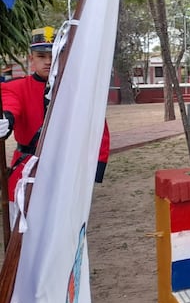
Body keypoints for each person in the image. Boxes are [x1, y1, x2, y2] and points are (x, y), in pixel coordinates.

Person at [0, 27, 110, 222]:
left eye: (54, 55)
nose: (48, 61)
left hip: (65, 170)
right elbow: (11, 106)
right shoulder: (15, 88)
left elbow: (97, 127)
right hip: (27, 170)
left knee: (62, 229)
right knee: (22, 237)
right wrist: (6, 119)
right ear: (31, 58)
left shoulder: (78, 90)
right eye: (41, 56)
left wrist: (96, 168)